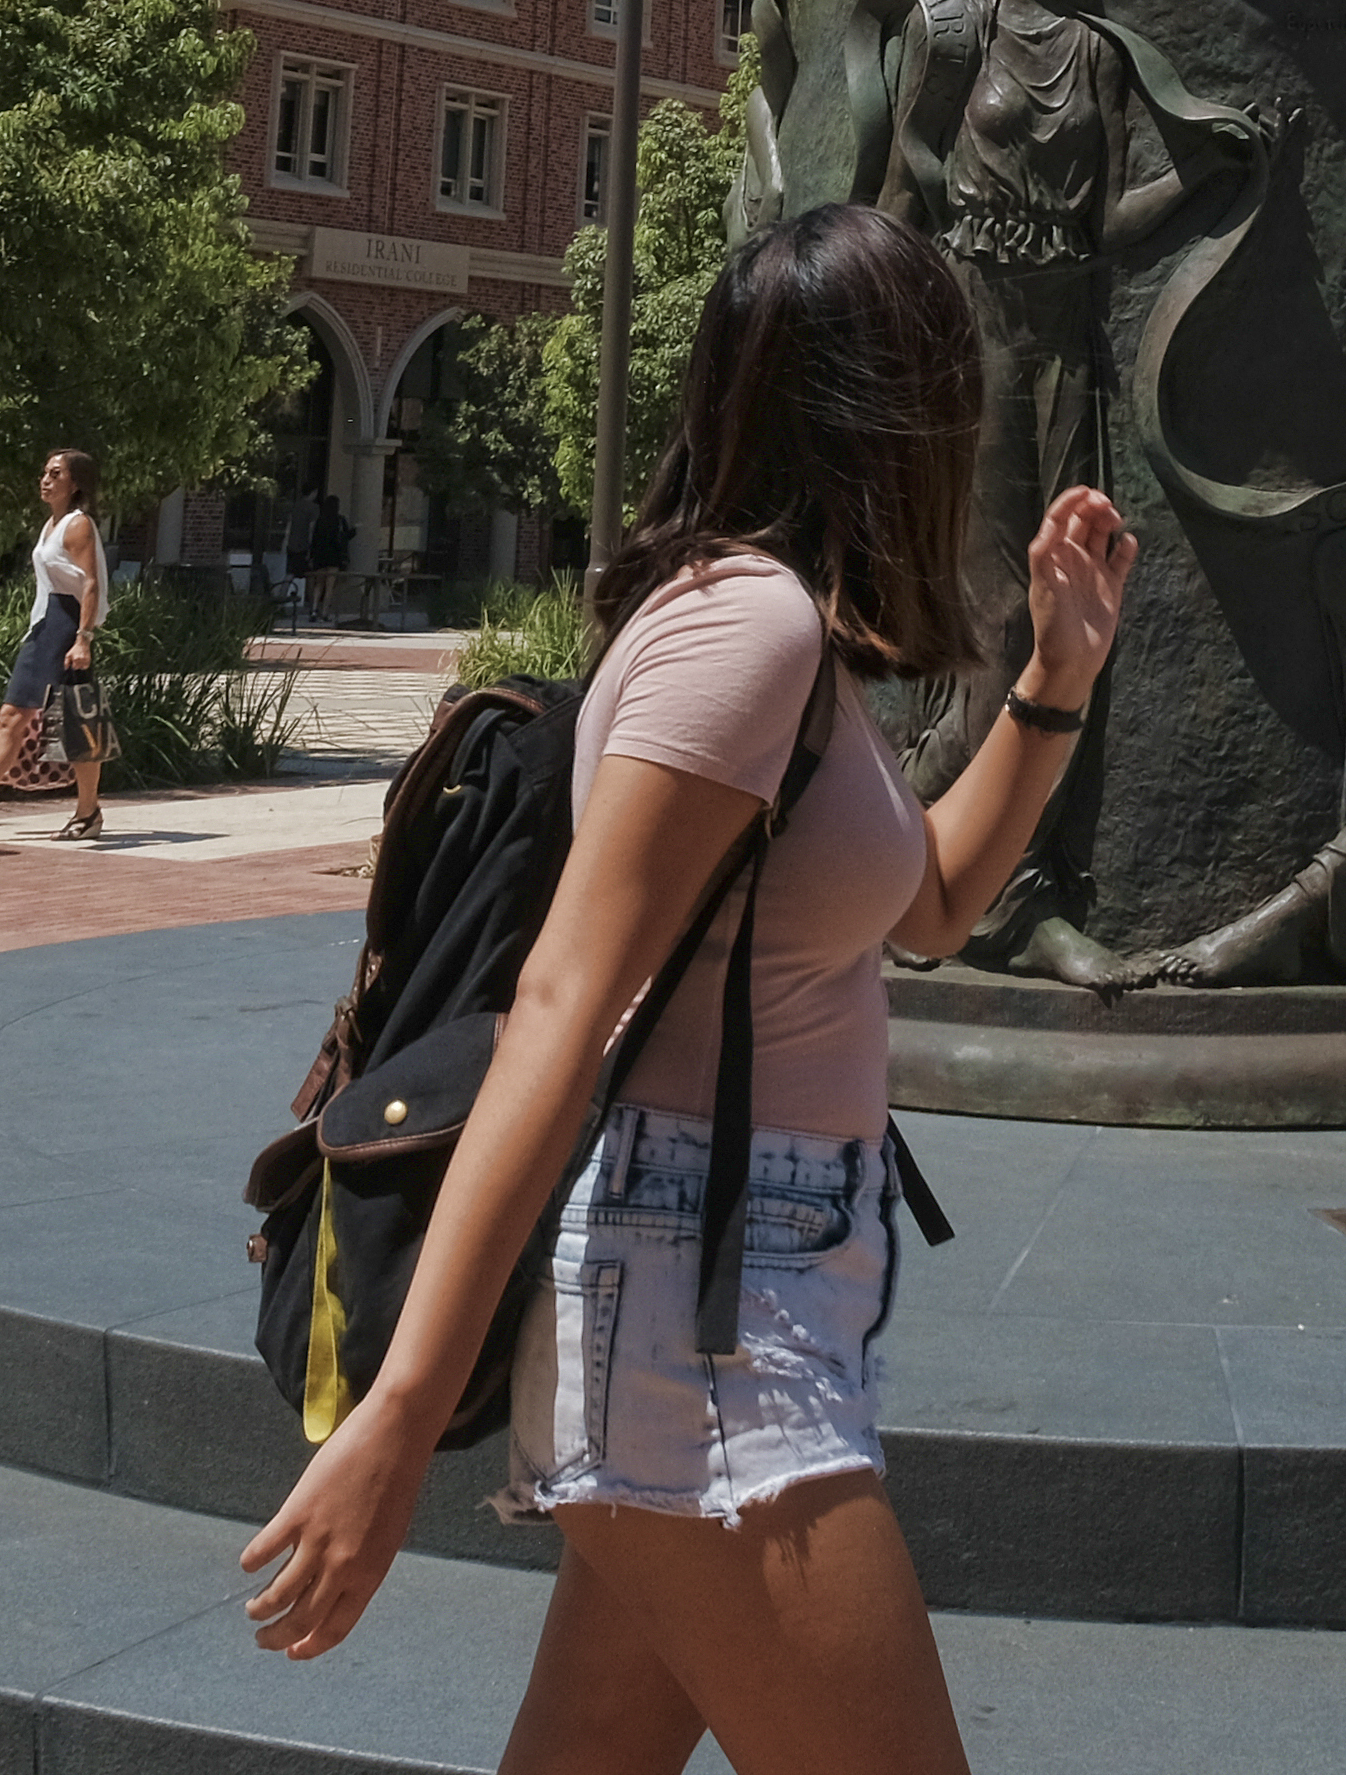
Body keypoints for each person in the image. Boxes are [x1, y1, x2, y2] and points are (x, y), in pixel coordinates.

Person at [238, 204, 1137, 1772]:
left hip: (746, 1268)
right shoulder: (747, 627)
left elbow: (922, 906)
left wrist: (1056, 678)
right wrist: (399, 1410)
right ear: (898, 406)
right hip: (698, 1295)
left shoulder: (798, 640)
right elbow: (561, 1003)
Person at [0, 449, 109, 843]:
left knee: (77, 722)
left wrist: (83, 638)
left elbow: (90, 583)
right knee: (12, 715)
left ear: (76, 483)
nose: (45, 480)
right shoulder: (50, 525)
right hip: (45, 623)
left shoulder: (77, 524)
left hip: (66, 625)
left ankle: (88, 811)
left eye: (55, 473)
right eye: (44, 473)